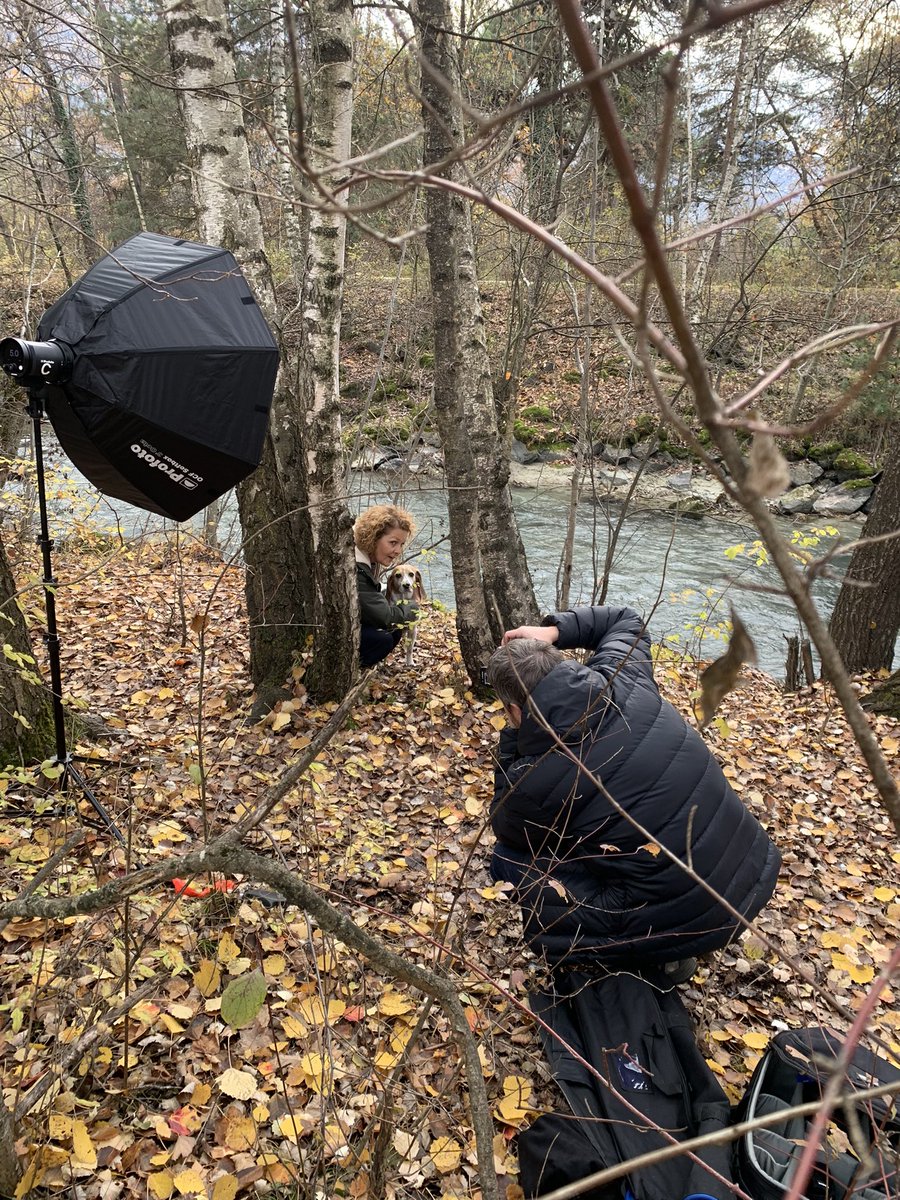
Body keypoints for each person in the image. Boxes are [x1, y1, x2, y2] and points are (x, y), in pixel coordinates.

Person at [486, 605, 781, 977]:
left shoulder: (537, 779)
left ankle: (657, 953)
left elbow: (505, 824)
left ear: (515, 708)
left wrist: (515, 738)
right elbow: (625, 620)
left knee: (507, 858)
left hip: (696, 920)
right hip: (753, 873)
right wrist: (552, 632)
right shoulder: (623, 679)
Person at [354, 504, 418, 667]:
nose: (397, 551)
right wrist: (413, 609)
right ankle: (353, 668)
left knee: (395, 630)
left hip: (355, 620)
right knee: (383, 638)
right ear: (373, 537)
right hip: (334, 631)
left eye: (401, 544)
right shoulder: (356, 565)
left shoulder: (370, 558)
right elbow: (385, 617)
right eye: (393, 542)